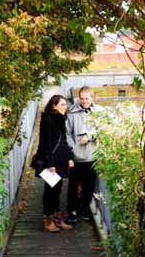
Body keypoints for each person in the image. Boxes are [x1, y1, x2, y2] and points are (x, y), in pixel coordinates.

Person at [37, 94, 74, 232]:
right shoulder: (48, 119)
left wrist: (69, 157)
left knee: (57, 190)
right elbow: (46, 143)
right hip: (52, 161)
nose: (65, 107)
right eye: (62, 104)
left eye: (66, 104)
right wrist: (50, 164)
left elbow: (63, 141)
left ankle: (57, 219)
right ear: (54, 106)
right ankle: (48, 220)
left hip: (61, 159)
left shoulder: (61, 118)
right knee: (50, 191)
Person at [66, 86, 102, 223]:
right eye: (81, 98)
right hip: (76, 156)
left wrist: (90, 136)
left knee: (89, 187)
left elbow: (102, 130)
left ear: (92, 98)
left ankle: (83, 209)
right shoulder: (71, 112)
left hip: (92, 155)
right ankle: (72, 211)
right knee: (73, 187)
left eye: (87, 98)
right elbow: (67, 133)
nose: (84, 101)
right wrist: (72, 149)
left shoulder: (100, 112)